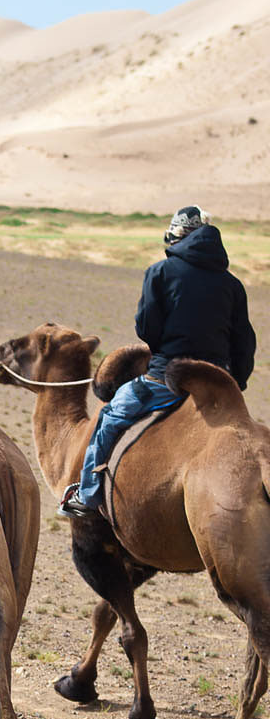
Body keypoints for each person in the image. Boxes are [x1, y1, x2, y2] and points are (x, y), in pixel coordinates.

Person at [59, 205, 256, 518]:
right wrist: (236, 383)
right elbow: (244, 343)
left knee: (110, 416)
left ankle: (88, 494)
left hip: (167, 381)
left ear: (176, 238)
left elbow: (147, 329)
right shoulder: (232, 284)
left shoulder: (160, 272)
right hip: (217, 384)